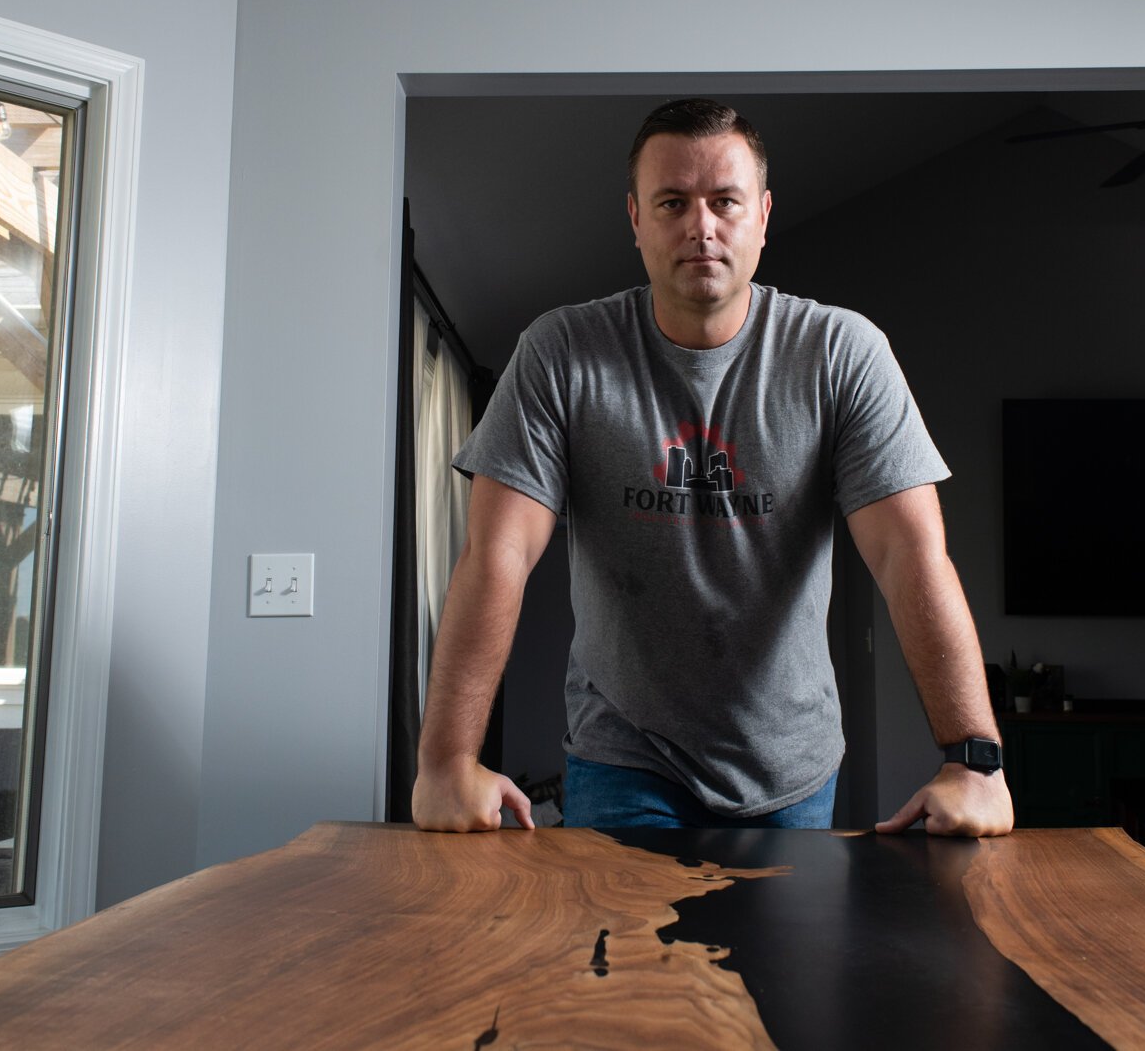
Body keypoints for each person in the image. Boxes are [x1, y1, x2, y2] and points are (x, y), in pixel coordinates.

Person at [410, 98, 1012, 837]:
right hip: (623, 756)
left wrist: (976, 763)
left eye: (724, 201)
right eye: (673, 202)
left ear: (761, 216)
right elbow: (498, 553)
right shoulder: (560, 353)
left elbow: (909, 555)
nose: (701, 226)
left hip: (789, 766)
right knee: (624, 959)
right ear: (635, 219)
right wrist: (444, 762)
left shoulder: (840, 353)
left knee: (784, 961)